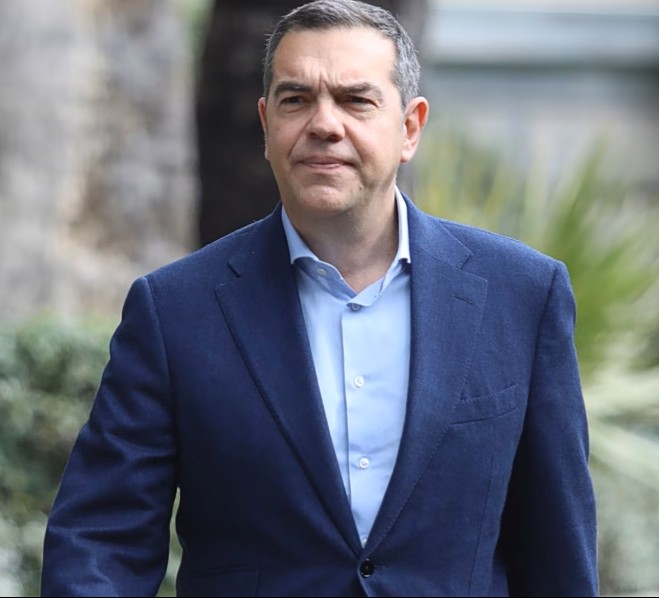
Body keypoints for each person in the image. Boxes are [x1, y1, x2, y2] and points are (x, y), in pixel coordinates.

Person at [41, 1, 599, 596]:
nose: (324, 124)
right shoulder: (175, 310)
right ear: (266, 125)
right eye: (296, 99)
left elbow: (557, 553)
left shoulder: (521, 295)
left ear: (410, 127)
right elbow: (101, 541)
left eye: (356, 100)